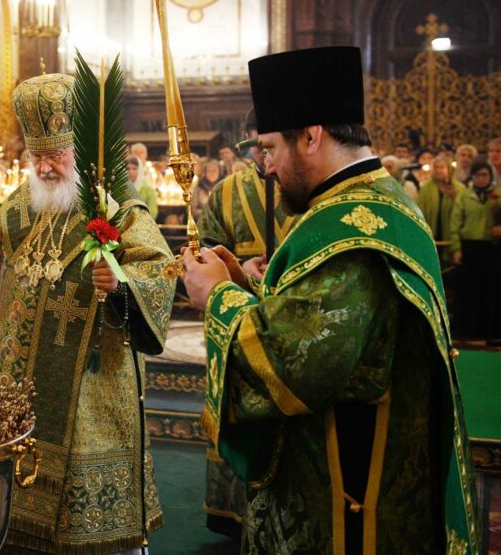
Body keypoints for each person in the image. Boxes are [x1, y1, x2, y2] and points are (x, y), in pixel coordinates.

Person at [183, 46, 478, 553]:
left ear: (312, 136)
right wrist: (247, 288)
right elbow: (330, 321)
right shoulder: (374, 202)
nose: (267, 168)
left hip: (350, 502)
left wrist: (217, 296)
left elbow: (295, 362)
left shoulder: (352, 231)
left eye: (271, 148)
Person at [0, 71, 175, 552]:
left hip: (90, 380)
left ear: (79, 151)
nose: (45, 167)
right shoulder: (21, 204)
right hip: (21, 374)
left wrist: (121, 283)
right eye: (36, 157)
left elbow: (160, 267)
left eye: (55, 155)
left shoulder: (116, 206)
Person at [195, 109, 298, 538]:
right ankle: (232, 512)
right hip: (236, 317)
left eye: (268, 145)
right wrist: (236, 266)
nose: (262, 155)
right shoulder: (227, 191)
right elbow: (203, 251)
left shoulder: (304, 189)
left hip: (287, 322)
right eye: (256, 146)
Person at [449, 160, 500, 342]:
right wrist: (456, 248)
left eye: (484, 175)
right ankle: (468, 330)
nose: (481, 179)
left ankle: (491, 330)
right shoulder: (465, 196)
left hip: (493, 248)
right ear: (472, 177)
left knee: (492, 290)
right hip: (470, 248)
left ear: (490, 176)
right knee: (470, 291)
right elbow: (455, 223)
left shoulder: (498, 195)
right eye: (477, 175)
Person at [418, 155, 464, 245]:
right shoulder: (425, 188)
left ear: (449, 169)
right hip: (431, 231)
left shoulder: (459, 188)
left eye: (442, 167)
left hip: (451, 233)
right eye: (436, 167)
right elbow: (420, 210)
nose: (438, 170)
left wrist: (454, 197)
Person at [126, 154, 158, 219]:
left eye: (134, 168)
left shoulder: (148, 190)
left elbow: (152, 212)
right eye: (128, 168)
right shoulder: (120, 189)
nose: (131, 172)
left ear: (139, 170)